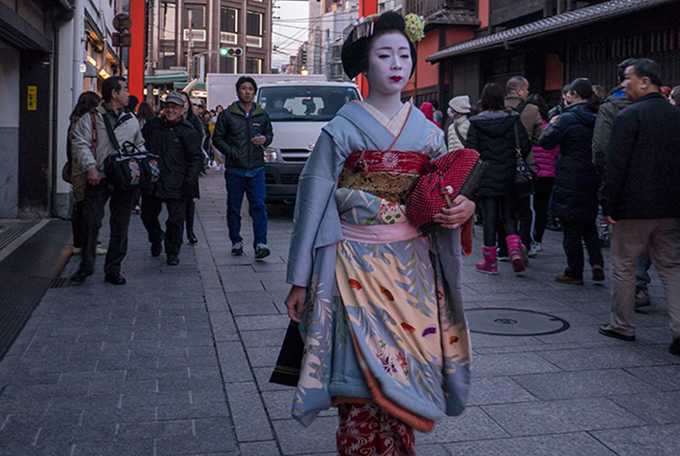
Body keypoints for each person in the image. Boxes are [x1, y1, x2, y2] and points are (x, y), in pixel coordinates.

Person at [279, 11, 474, 454]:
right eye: (384, 54)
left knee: (407, 365)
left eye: (404, 54)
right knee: (357, 371)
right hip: (352, 264)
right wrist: (299, 277)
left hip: (412, 269)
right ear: (364, 65)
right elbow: (312, 203)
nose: (396, 63)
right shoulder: (341, 129)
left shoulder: (428, 133)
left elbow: (441, 191)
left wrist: (463, 207)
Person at [598, 59, 680, 356]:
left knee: (624, 264)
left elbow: (615, 166)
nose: (623, 84)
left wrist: (609, 204)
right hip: (670, 206)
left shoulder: (629, 117)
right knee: (671, 267)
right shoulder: (675, 115)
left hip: (633, 206)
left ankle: (622, 324)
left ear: (645, 81)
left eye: (627, 78)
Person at [69, 76, 144, 285]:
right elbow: (80, 143)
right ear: (114, 94)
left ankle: (113, 269)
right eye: (125, 90)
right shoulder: (91, 118)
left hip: (124, 179)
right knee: (91, 222)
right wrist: (90, 167)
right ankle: (86, 266)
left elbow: (140, 145)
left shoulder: (131, 119)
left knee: (121, 225)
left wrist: (140, 166)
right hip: (98, 177)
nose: (128, 93)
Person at [591, 58, 654, 305]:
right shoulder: (664, 107)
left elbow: (601, 148)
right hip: (660, 185)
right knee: (662, 252)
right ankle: (641, 283)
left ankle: (628, 302)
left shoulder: (610, 107)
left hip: (625, 184)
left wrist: (606, 181)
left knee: (625, 248)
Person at [538, 78, 604, 285]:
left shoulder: (566, 118)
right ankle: (597, 262)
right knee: (588, 221)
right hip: (593, 174)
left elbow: (545, 142)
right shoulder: (598, 115)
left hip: (570, 175)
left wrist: (553, 124)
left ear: (574, 94)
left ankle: (574, 271)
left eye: (567, 93)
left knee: (571, 224)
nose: (564, 97)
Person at [467, 82, 530, 275]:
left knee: (489, 219)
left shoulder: (476, 123)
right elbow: (525, 144)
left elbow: (471, 152)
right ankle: (514, 251)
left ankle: (490, 262)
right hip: (509, 174)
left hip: (486, 176)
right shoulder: (512, 119)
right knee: (509, 215)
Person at [213, 76, 273, 259]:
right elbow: (217, 138)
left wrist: (265, 139)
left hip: (256, 168)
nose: (247, 91)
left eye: (250, 89)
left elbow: (269, 134)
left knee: (259, 205)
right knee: (234, 207)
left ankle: (261, 243)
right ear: (238, 91)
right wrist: (232, 152)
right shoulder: (228, 114)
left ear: (254, 92)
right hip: (235, 169)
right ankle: (236, 241)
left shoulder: (262, 114)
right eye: (243, 88)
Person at [140, 92, 203, 266]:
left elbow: (196, 158)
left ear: (182, 110)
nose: (170, 110)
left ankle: (172, 251)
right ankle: (156, 237)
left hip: (177, 181)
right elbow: (141, 146)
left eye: (175, 107)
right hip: (153, 180)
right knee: (147, 215)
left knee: (176, 220)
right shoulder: (152, 126)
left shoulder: (188, 131)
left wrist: (190, 181)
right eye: (168, 106)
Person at [504, 76, 542, 259]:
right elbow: (539, 138)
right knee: (525, 209)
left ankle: (506, 247)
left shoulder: (498, 108)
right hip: (525, 166)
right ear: (519, 91)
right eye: (526, 89)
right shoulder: (533, 110)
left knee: (507, 208)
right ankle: (525, 243)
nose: (528, 93)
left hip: (502, 166)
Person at [67, 91, 102, 256]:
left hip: (77, 170)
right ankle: (85, 244)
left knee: (81, 206)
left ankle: (80, 242)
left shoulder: (74, 121)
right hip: (83, 170)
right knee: (86, 208)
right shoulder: (83, 123)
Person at [527, 94, 559, 257]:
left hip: (532, 172)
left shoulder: (527, 127)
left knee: (529, 208)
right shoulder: (551, 127)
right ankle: (537, 241)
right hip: (549, 173)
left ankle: (527, 240)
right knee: (541, 209)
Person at [180, 92, 206, 244]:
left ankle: (190, 231)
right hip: (173, 167)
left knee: (189, 201)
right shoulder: (166, 121)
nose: (182, 105)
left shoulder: (193, 121)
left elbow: (199, 141)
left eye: (184, 102)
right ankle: (176, 233)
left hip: (189, 167)